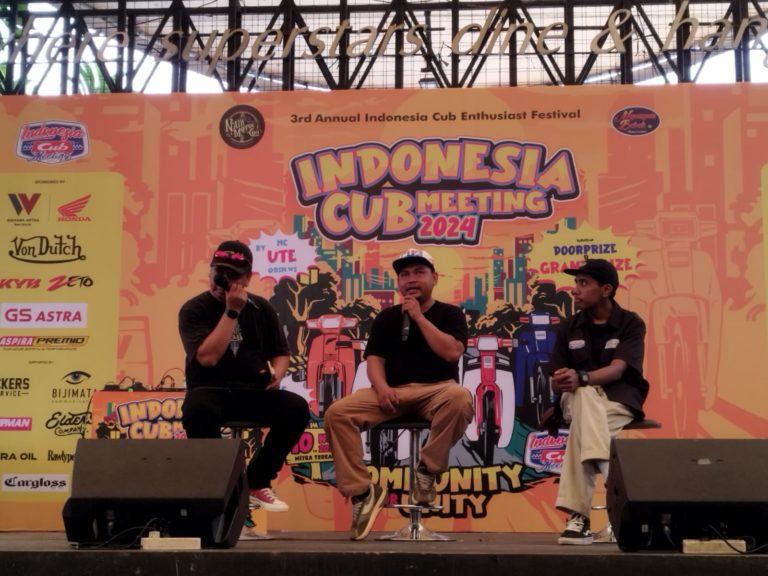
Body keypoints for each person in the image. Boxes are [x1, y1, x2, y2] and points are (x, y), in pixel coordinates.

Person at [324, 248, 474, 541]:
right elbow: (374, 360)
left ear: (434, 278)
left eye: (419, 272)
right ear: (398, 283)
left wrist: (418, 317)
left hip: (437, 391)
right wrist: (381, 388)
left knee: (460, 398)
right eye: (405, 275)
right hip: (392, 393)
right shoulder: (387, 318)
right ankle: (362, 493)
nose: (411, 280)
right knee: (338, 413)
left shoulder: (450, 314)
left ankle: (427, 470)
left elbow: (451, 352)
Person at [179, 240, 310, 515]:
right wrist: (232, 311)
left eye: (232, 275)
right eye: (219, 273)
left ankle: (256, 481)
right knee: (196, 411)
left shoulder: (261, 308)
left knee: (296, 408)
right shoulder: (194, 309)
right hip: (210, 390)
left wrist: (277, 373)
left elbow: (281, 352)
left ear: (247, 278)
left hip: (253, 392)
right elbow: (208, 358)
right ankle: (219, 485)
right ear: (210, 272)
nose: (223, 281)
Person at [547, 258, 649, 545]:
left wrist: (581, 377)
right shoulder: (568, 326)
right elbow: (557, 376)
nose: (575, 290)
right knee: (582, 395)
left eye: (583, 283)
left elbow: (618, 370)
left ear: (606, 290)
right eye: (575, 283)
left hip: (618, 399)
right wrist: (561, 381)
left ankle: (578, 518)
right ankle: (611, 476)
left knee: (582, 423)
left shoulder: (631, 323)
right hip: (574, 399)